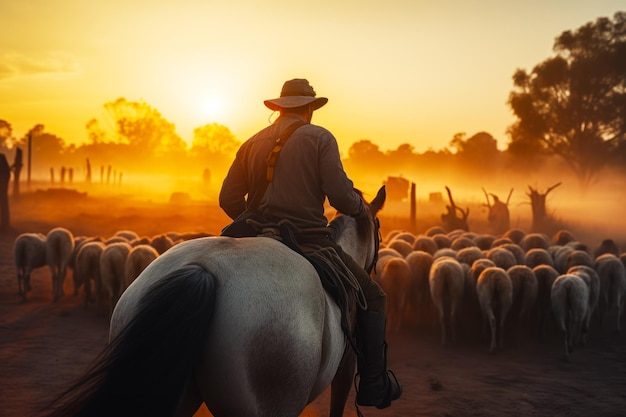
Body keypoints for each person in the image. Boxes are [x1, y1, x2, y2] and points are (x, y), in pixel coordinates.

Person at [219, 78, 402, 409]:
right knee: (374, 296)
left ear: (279, 107)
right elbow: (342, 199)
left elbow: (227, 197)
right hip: (308, 239)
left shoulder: (251, 143)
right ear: (309, 109)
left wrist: (256, 220)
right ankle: (374, 384)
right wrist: (363, 208)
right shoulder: (320, 138)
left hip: (253, 231)